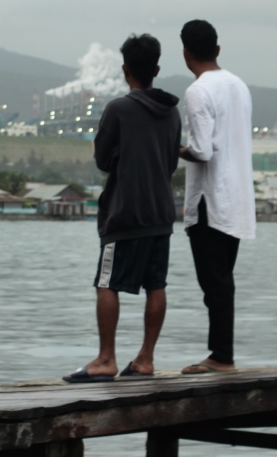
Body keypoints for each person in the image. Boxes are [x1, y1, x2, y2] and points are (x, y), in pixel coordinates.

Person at [63, 34, 182, 383]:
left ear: (124, 69)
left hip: (125, 213)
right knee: (156, 285)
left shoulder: (119, 108)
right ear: (156, 69)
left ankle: (105, 360)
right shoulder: (173, 112)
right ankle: (145, 358)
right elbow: (172, 161)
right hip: (162, 213)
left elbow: (102, 160)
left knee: (107, 284)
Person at [178, 19, 256, 374]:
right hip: (237, 197)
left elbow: (203, 151)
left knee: (215, 283)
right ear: (218, 49)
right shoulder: (239, 85)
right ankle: (222, 353)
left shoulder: (198, 91)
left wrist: (174, 150)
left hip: (210, 198)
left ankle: (221, 356)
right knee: (223, 279)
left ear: (185, 53)